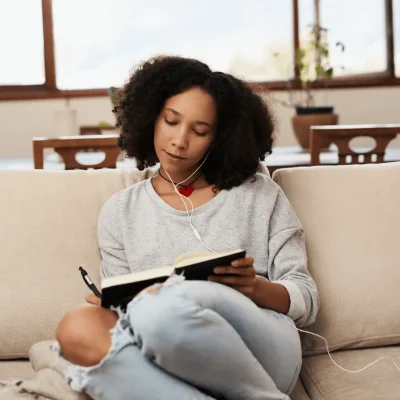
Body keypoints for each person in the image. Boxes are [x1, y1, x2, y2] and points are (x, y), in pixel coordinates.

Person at [55, 55, 319, 400]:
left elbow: (307, 298)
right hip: (167, 356)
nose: (180, 140)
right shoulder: (120, 212)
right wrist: (111, 304)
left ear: (219, 138)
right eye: (170, 121)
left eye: (199, 131)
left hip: (263, 348)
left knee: (160, 303)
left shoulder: (259, 194)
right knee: (76, 326)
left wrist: (255, 288)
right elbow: (123, 322)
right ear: (151, 118)